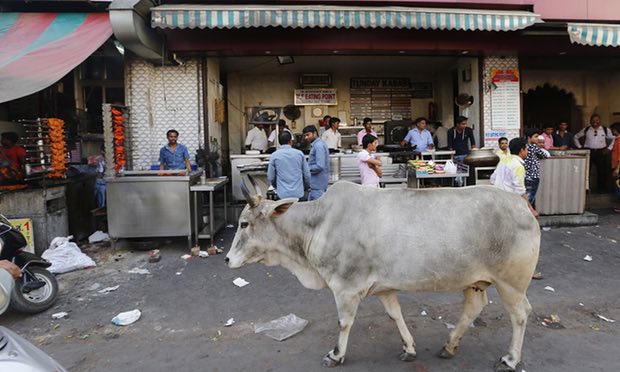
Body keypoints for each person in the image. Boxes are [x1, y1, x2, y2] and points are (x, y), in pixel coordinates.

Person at [490, 137, 538, 218]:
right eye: (526, 149)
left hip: (497, 200)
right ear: (521, 150)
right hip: (510, 204)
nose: (527, 151)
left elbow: (492, 179)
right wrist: (531, 209)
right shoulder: (518, 166)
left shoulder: (504, 160)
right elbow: (520, 191)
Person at [574, 113, 616, 193]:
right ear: (590, 121)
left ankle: (601, 189)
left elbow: (614, 138)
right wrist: (580, 147)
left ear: (600, 121)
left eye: (597, 120)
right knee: (586, 170)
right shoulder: (586, 129)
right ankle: (585, 189)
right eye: (593, 120)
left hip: (601, 152)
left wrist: (609, 148)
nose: (595, 122)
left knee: (601, 171)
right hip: (588, 151)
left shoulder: (605, 129)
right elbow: (575, 137)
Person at [267, 131, 310, 200]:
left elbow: (271, 177)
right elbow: (307, 175)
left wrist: (277, 186)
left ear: (279, 142)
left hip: (282, 194)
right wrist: (306, 187)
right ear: (290, 141)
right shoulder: (299, 154)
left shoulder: (274, 155)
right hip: (298, 194)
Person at [303, 125, 330, 200]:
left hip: (318, 186)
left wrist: (305, 168)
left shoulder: (319, 146)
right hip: (315, 186)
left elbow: (320, 166)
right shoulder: (316, 145)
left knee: (317, 210)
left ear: (315, 133)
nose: (306, 138)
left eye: (308, 135)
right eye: (305, 136)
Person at [524, 128, 550, 207]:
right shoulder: (533, 147)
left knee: (527, 197)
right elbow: (545, 155)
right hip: (533, 176)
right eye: (535, 136)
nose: (537, 138)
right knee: (530, 198)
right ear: (529, 138)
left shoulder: (524, 147)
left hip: (525, 175)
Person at [610, 122, 620, 213]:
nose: (612, 131)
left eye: (612, 129)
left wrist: (617, 168)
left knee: (618, 187)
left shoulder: (619, 140)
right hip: (616, 166)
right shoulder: (616, 140)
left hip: (618, 168)